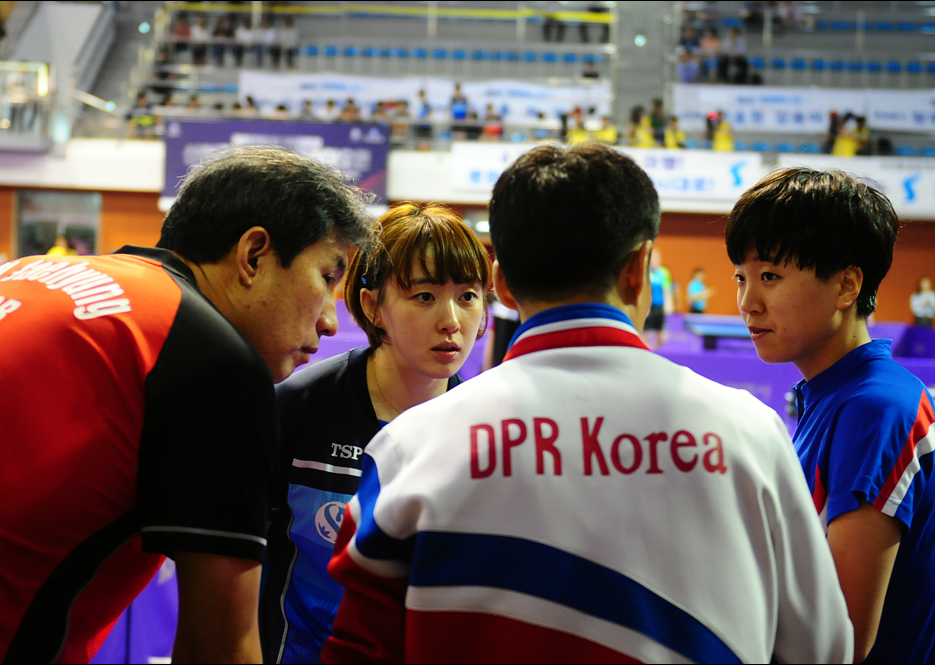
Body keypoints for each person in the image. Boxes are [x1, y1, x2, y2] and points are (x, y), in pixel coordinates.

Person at [322, 143, 852, 664]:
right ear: (638, 270)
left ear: (501, 285)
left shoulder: (406, 451)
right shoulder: (753, 433)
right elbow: (825, 649)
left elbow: (358, 649)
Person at [0, 147, 374, 664]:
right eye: (327, 278)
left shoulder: (17, 276)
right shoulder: (206, 357)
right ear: (254, 255)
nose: (330, 322)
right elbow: (221, 650)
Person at [727, 168, 935, 664]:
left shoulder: (876, 408)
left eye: (770, 276)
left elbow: (840, 639)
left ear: (847, 285)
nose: (748, 303)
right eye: (741, 278)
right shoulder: (835, 395)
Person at [259, 203, 490, 663]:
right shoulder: (297, 407)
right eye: (424, 296)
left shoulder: (485, 433)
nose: (451, 320)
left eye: (467, 296)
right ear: (372, 306)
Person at [644, 247, 673, 349]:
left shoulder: (664, 273)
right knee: (645, 336)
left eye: (656, 258)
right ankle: (646, 353)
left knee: (662, 338)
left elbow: (667, 291)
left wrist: (669, 305)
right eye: (652, 258)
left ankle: (653, 351)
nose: (654, 261)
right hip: (649, 308)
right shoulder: (645, 272)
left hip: (659, 308)